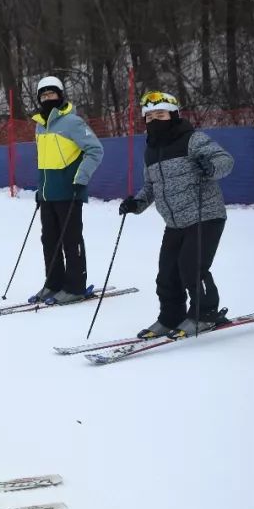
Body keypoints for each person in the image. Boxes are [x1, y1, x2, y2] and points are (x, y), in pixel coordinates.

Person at [119, 90, 235, 339]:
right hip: (174, 221)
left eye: (160, 114)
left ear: (173, 114)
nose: (154, 120)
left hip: (206, 214)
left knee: (192, 267)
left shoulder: (192, 139)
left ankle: (204, 314)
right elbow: (150, 187)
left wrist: (211, 166)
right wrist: (135, 204)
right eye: (149, 117)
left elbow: (224, 159)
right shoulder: (150, 150)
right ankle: (170, 317)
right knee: (167, 273)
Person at [28, 76, 104, 304]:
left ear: (61, 95)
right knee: (49, 240)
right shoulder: (40, 126)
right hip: (48, 194)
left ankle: (75, 286)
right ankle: (53, 283)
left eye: (52, 94)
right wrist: (40, 188)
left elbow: (95, 150)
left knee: (71, 240)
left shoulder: (73, 122)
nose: (47, 98)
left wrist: (81, 178)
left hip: (69, 192)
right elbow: (42, 159)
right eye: (43, 95)